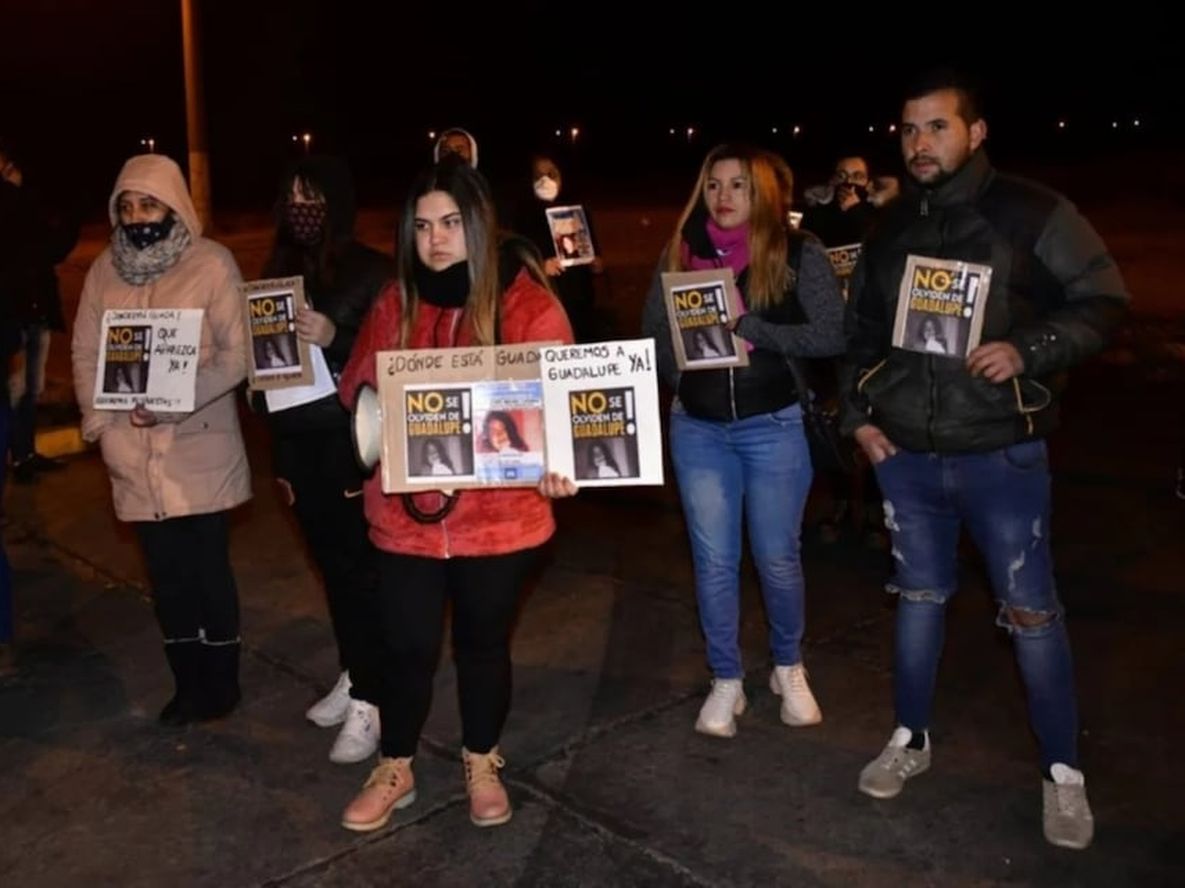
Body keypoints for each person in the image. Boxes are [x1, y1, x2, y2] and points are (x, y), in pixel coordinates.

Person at [840, 70, 1130, 851]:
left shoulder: (1033, 211)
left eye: (936, 127)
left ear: (975, 133)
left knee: (1032, 616)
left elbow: (1102, 300)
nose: (918, 144)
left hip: (1000, 457)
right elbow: (860, 335)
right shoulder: (888, 227)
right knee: (918, 602)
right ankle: (910, 737)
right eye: (907, 130)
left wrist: (1027, 347)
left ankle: (1063, 775)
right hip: (905, 457)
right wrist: (856, 419)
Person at [337, 160, 576, 833]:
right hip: (404, 523)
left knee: (482, 646)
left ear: (477, 225)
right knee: (406, 647)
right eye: (420, 227)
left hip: (498, 527)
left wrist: (557, 464)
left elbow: (558, 410)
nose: (434, 240)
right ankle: (395, 764)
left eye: (448, 223)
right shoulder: (395, 304)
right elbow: (356, 392)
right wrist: (389, 431)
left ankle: (480, 758)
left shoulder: (526, 305)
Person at [641, 144, 845, 738]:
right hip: (700, 431)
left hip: (773, 425)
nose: (724, 197)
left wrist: (749, 327)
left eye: (739, 186)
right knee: (714, 562)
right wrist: (688, 383)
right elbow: (654, 333)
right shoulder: (681, 253)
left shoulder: (797, 252)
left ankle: (789, 665)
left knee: (778, 559)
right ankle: (726, 678)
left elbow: (833, 334)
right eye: (713, 185)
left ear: (762, 194)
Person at [71, 154, 251, 725]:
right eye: (126, 206)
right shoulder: (104, 271)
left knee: (206, 572)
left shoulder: (212, 264)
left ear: (173, 204)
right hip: (131, 450)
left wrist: (178, 398)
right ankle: (187, 683)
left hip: (198, 447)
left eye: (148, 203)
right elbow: (84, 351)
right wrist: (98, 420)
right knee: (166, 580)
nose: (136, 215)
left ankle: (221, 683)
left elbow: (237, 355)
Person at [257, 155, 394, 764]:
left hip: (346, 442)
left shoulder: (371, 270)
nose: (301, 210)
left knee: (359, 572)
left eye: (312, 197)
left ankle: (373, 697)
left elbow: (391, 357)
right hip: (295, 443)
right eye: (291, 198)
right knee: (329, 569)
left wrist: (333, 337)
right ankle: (353, 671)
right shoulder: (276, 268)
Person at [1, 137, 79, 484]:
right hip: (13, 314)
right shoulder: (13, 203)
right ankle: (19, 455)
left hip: (35, 310)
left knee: (30, 388)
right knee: (17, 390)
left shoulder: (24, 205)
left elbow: (52, 248)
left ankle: (25, 453)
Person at [511, 154, 604, 342]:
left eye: (551, 174)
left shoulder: (577, 210)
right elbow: (515, 261)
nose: (545, 180)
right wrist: (539, 267)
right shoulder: (522, 216)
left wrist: (595, 262)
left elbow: (596, 257)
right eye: (538, 175)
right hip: (543, 301)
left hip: (579, 301)